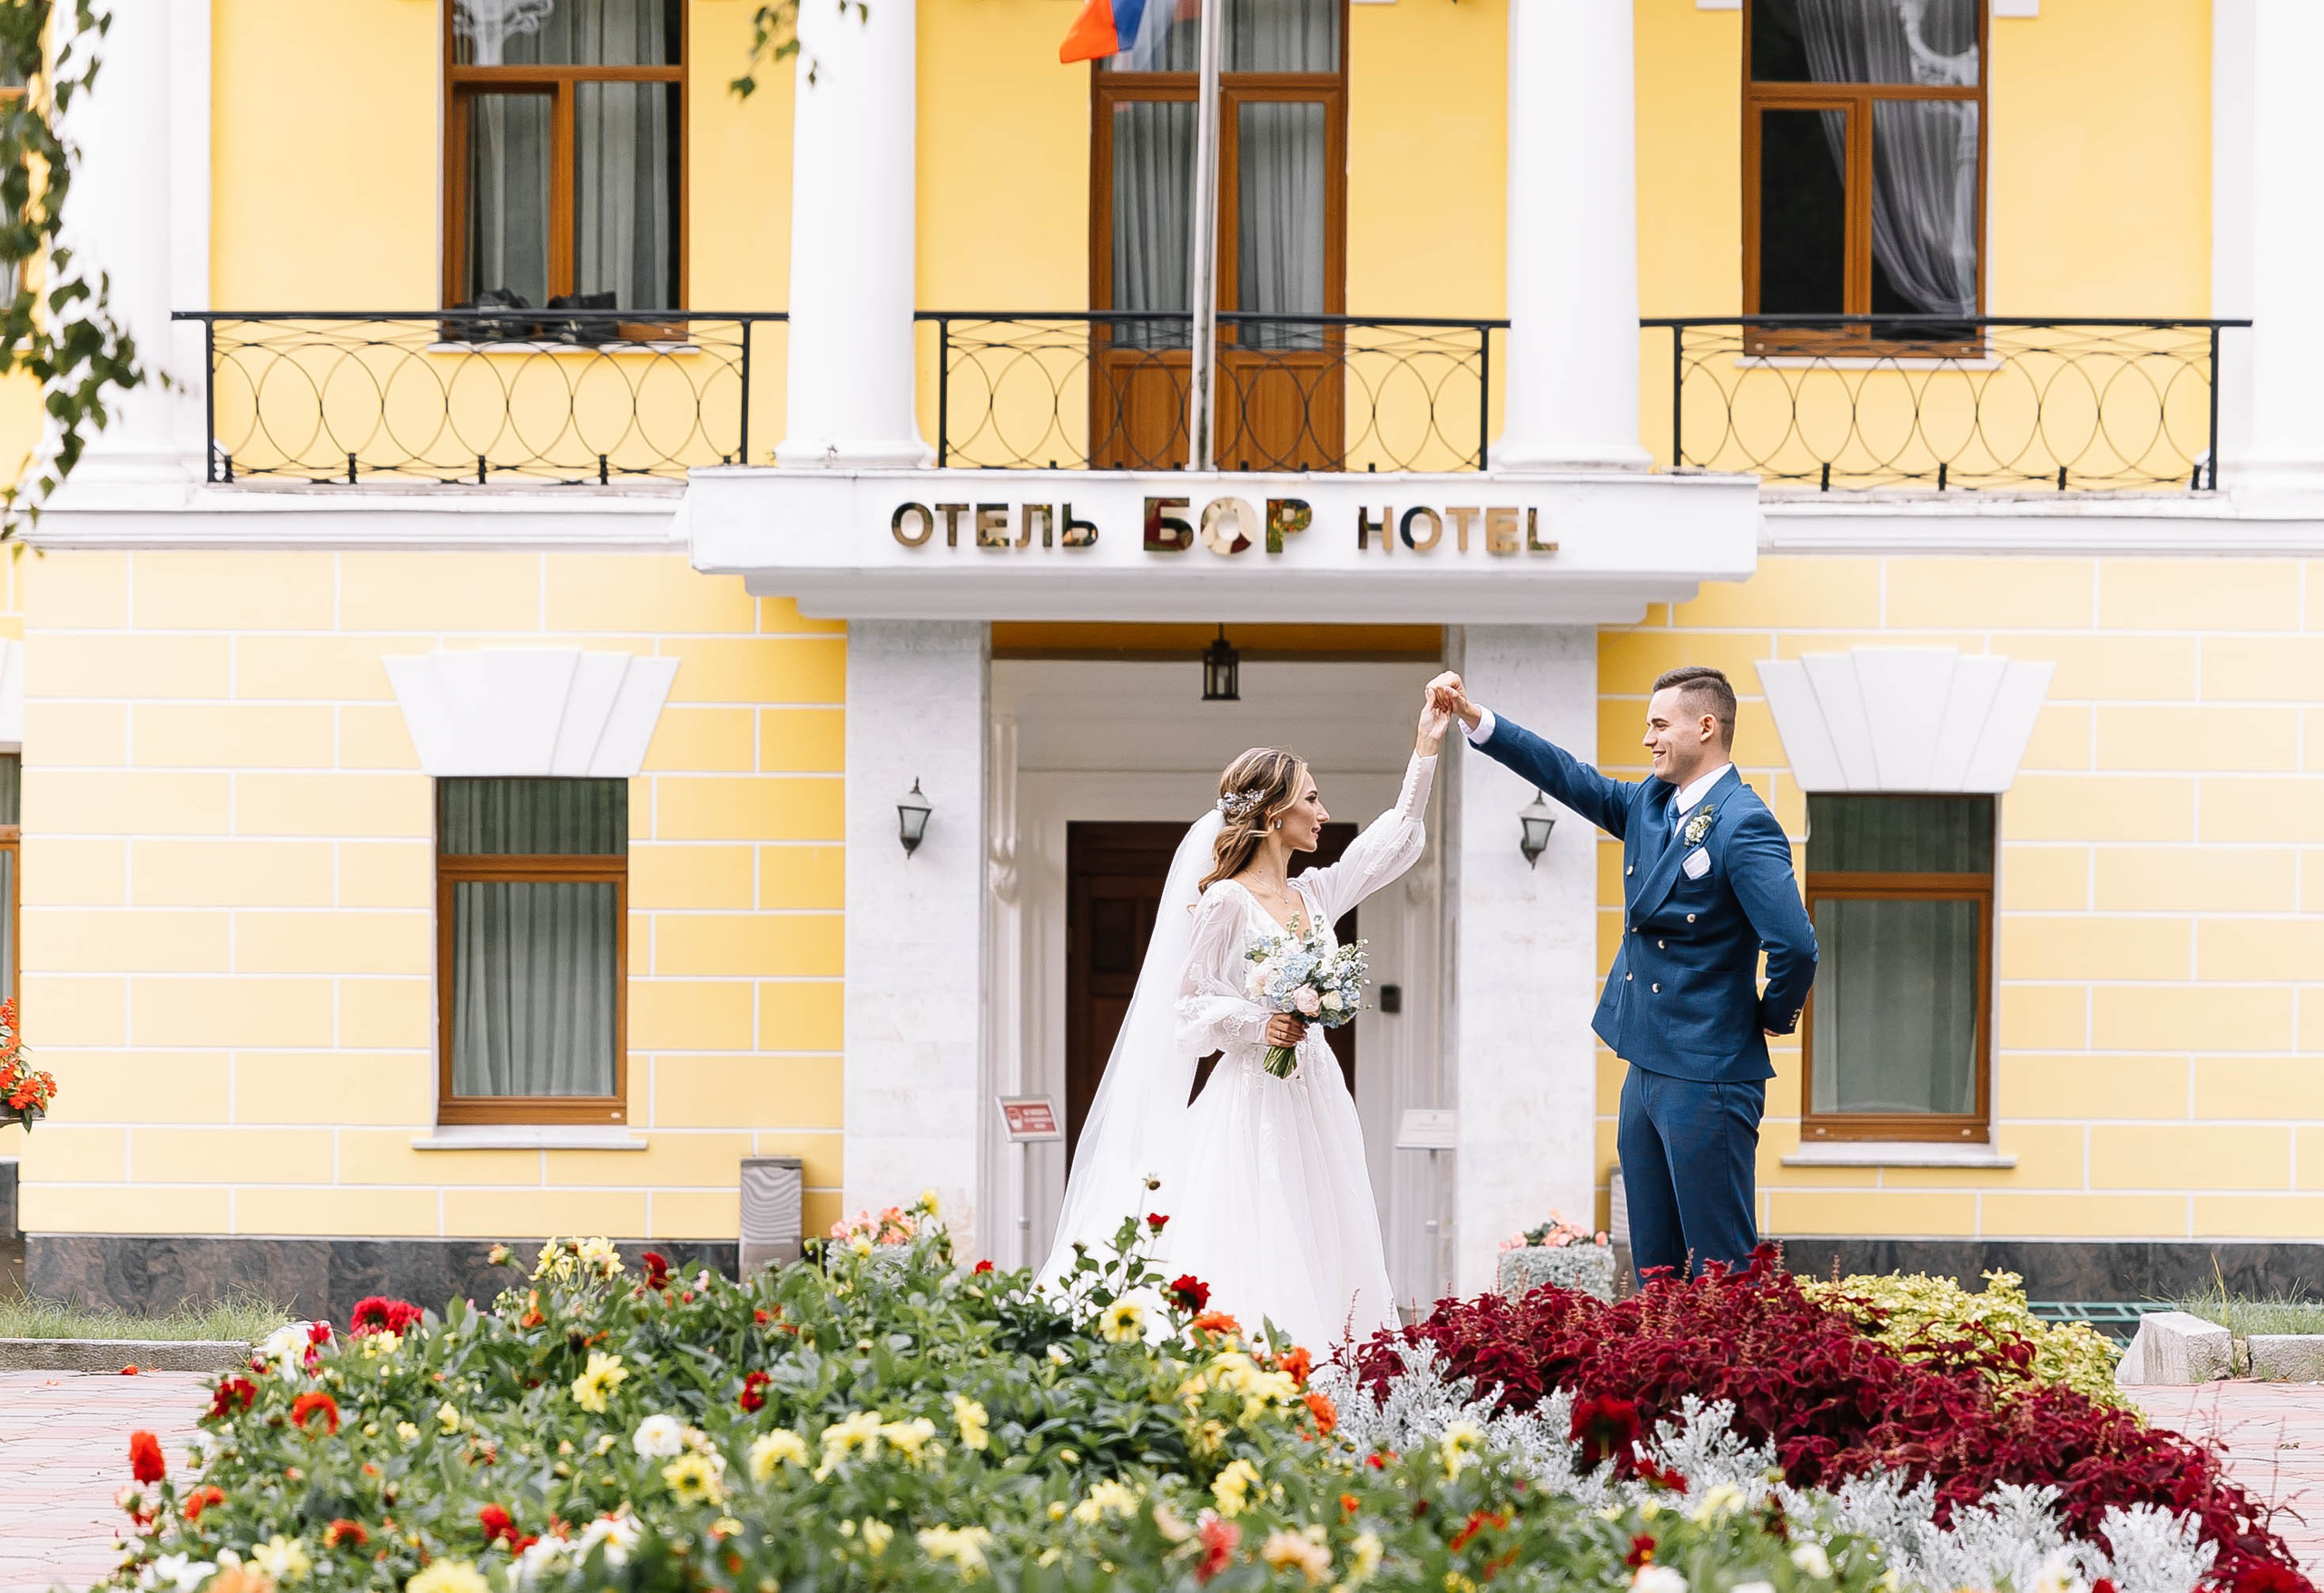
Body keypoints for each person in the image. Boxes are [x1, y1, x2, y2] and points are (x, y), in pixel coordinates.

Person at [1041, 693, 1452, 1349]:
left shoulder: (1313, 895)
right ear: (1272, 814)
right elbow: (1190, 1007)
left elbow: (1388, 843)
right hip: (1252, 1095)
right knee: (1260, 1227)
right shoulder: (1225, 902)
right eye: (1311, 800)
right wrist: (1259, 1023)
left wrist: (1425, 747)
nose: (1324, 813)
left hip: (1316, 1092)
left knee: (1326, 1223)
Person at [1425, 666, 1816, 1282]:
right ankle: (1663, 1378)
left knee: (1722, 1267)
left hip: (1709, 1074)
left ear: (1706, 727)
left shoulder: (1745, 822)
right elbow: (1567, 774)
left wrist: (1766, 1016)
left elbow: (1795, 944)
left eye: (1660, 724)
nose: (1648, 739)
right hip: (1645, 1067)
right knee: (1654, 1267)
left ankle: (1730, 1379)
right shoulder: (1652, 804)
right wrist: (1479, 721)